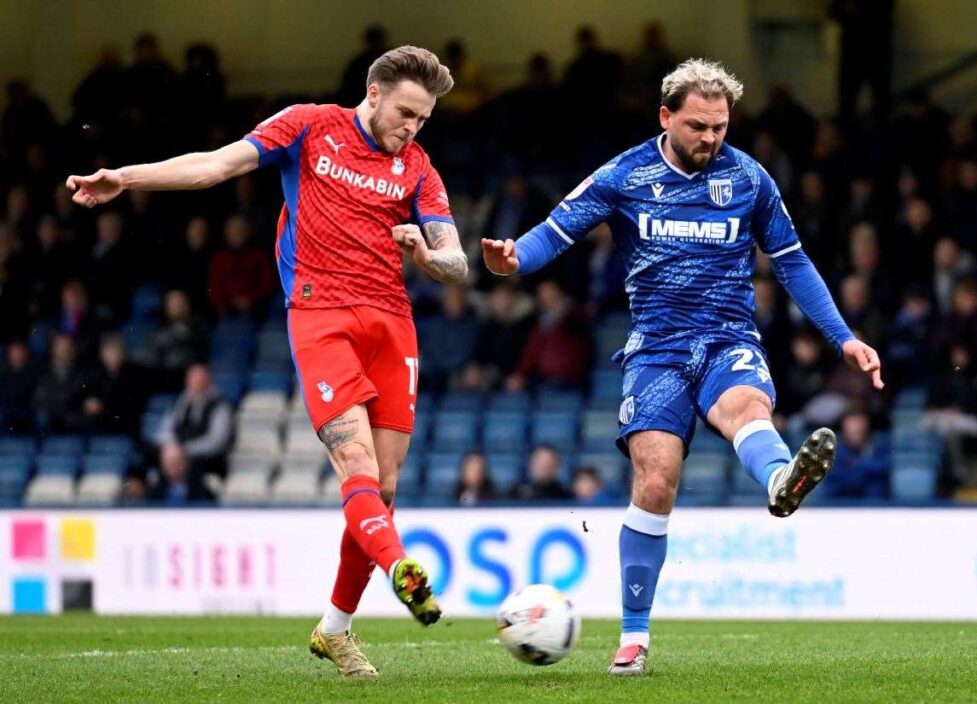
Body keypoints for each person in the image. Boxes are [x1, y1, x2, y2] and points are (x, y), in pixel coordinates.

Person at [66, 45, 467, 679]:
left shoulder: (419, 168)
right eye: (407, 113)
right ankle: (399, 567)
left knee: (384, 488)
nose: (413, 128)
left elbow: (457, 262)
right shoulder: (310, 125)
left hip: (393, 326)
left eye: (424, 119)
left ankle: (335, 630)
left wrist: (424, 253)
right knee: (355, 464)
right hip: (321, 316)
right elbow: (214, 167)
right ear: (374, 94)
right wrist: (126, 177)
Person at [482, 58, 883, 676]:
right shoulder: (625, 173)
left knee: (747, 408)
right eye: (699, 125)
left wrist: (841, 337)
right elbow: (554, 233)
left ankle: (781, 482)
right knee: (657, 478)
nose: (711, 138)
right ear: (666, 116)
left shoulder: (749, 179)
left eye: (721, 126)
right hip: (657, 350)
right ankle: (634, 636)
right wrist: (514, 260)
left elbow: (794, 263)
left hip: (727, 339)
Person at [153, 363, 233, 501]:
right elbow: (165, 429)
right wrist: (172, 446)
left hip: (205, 458)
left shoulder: (220, 405)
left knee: (187, 467)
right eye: (193, 379)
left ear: (208, 381)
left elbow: (216, 441)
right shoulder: (179, 402)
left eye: (200, 379)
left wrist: (185, 450)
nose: (196, 383)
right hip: (177, 453)